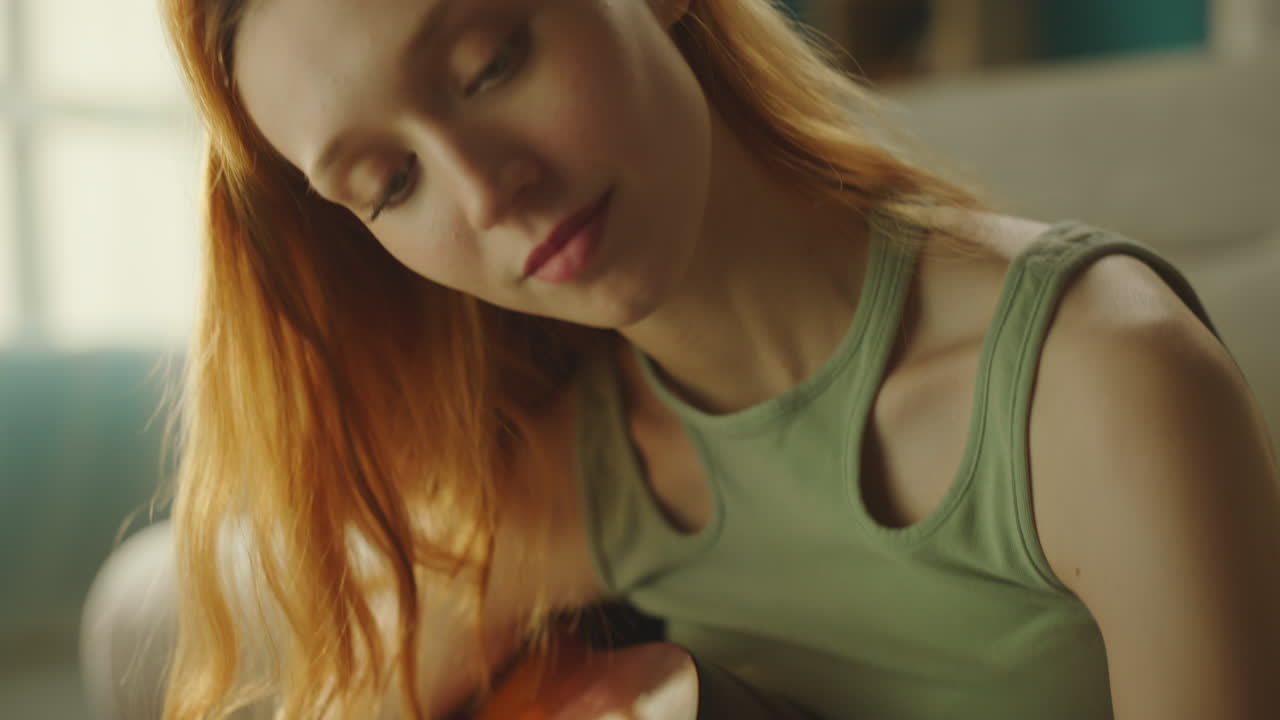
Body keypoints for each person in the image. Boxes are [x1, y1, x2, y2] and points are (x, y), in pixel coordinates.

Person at [91, 0, 1280, 718]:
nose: (483, 190)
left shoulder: (1099, 388)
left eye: (490, 59)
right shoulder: (577, 479)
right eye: (388, 184)